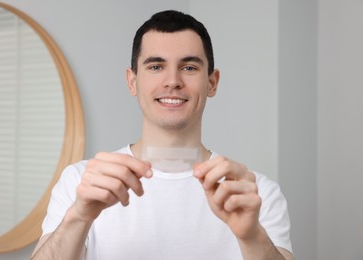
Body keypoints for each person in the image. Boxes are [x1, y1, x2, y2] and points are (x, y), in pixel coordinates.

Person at [31, 10, 294, 260]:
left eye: (189, 67)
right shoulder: (81, 183)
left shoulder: (254, 194)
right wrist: (79, 216)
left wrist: (251, 236)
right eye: (156, 66)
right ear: (132, 82)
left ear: (212, 82)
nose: (172, 81)